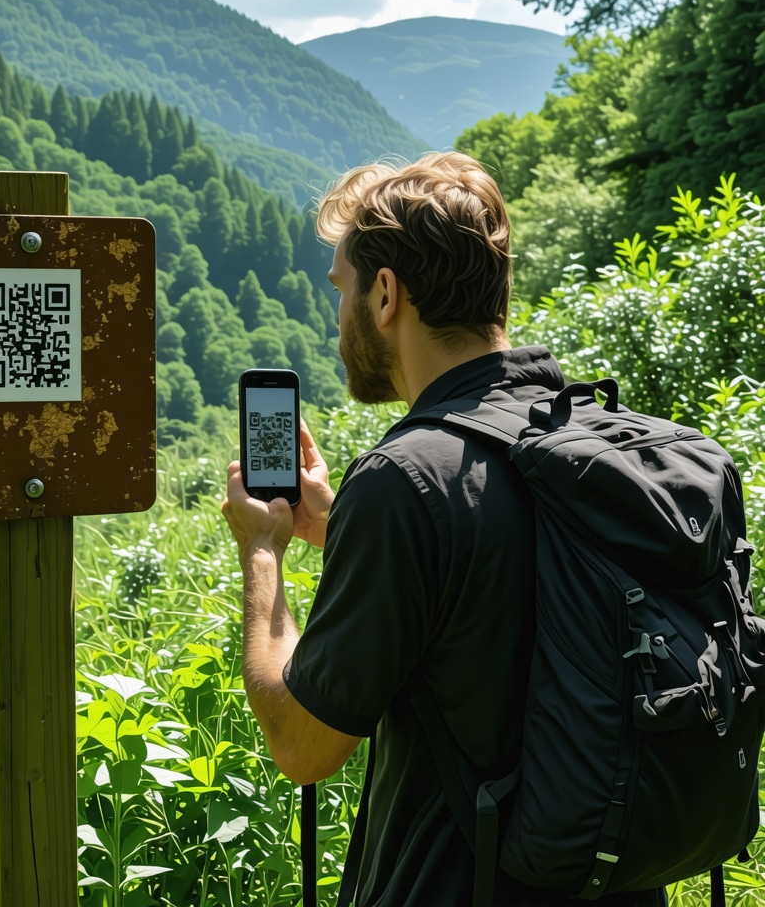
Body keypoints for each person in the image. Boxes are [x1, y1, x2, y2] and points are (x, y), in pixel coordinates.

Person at [221, 151, 665, 905]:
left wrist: (262, 551)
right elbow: (514, 583)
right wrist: (339, 529)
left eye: (343, 288)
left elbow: (300, 744)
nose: (339, 317)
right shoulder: (593, 444)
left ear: (387, 293)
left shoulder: (405, 480)